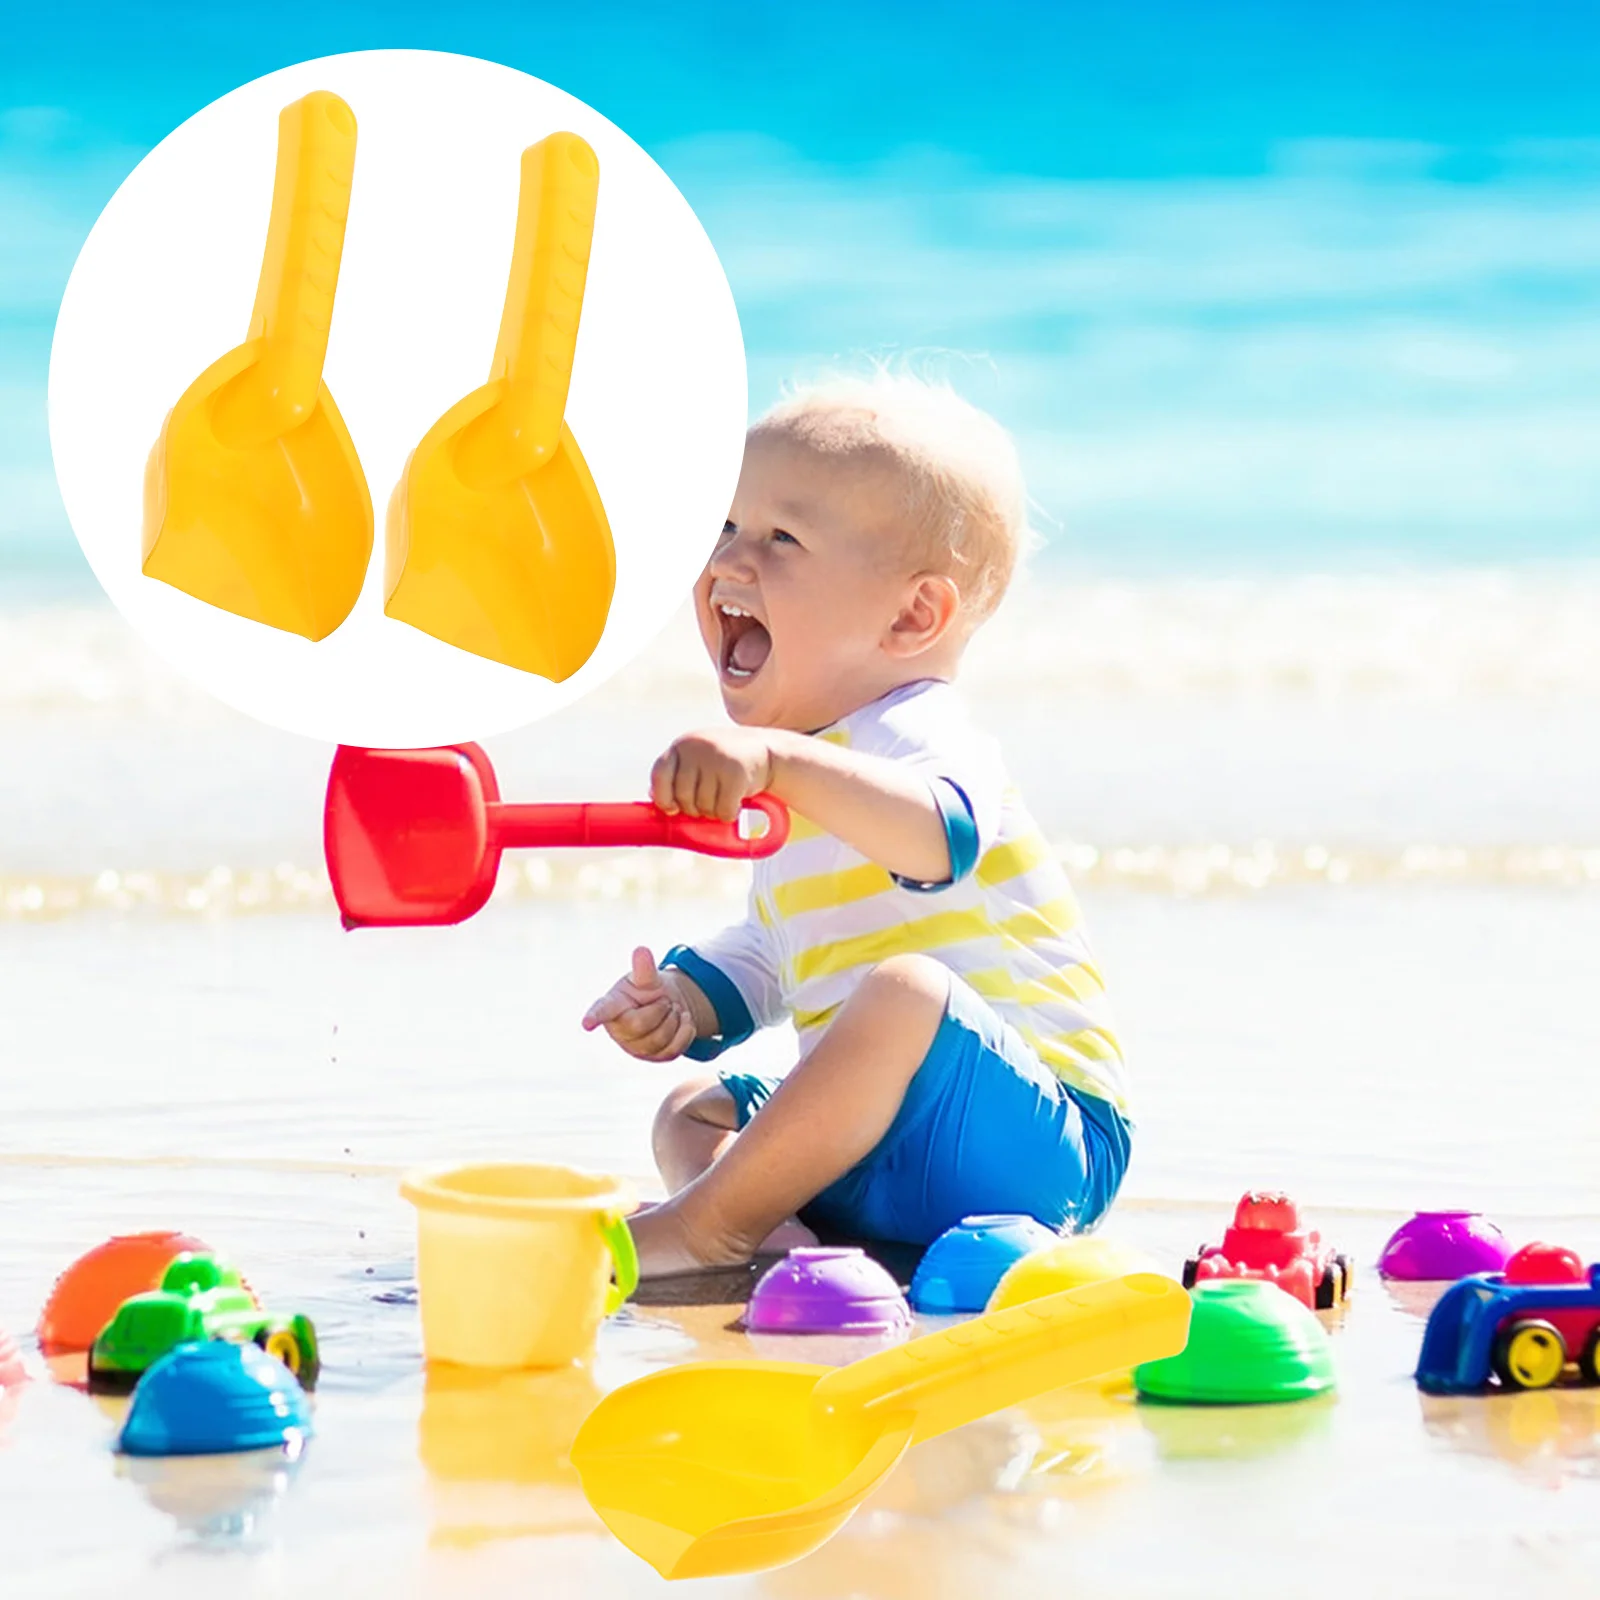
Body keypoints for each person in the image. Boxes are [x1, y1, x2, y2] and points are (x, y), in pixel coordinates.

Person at [582, 372, 1131, 1276]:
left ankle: (707, 1228)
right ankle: (770, 1229)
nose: (728, 561)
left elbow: (938, 838)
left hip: (1044, 1142)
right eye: (724, 528)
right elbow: (778, 945)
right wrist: (686, 1001)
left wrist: (781, 765)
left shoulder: (917, 732)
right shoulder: (811, 765)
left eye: (781, 537)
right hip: (888, 1145)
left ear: (913, 616)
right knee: (693, 1108)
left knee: (905, 992)